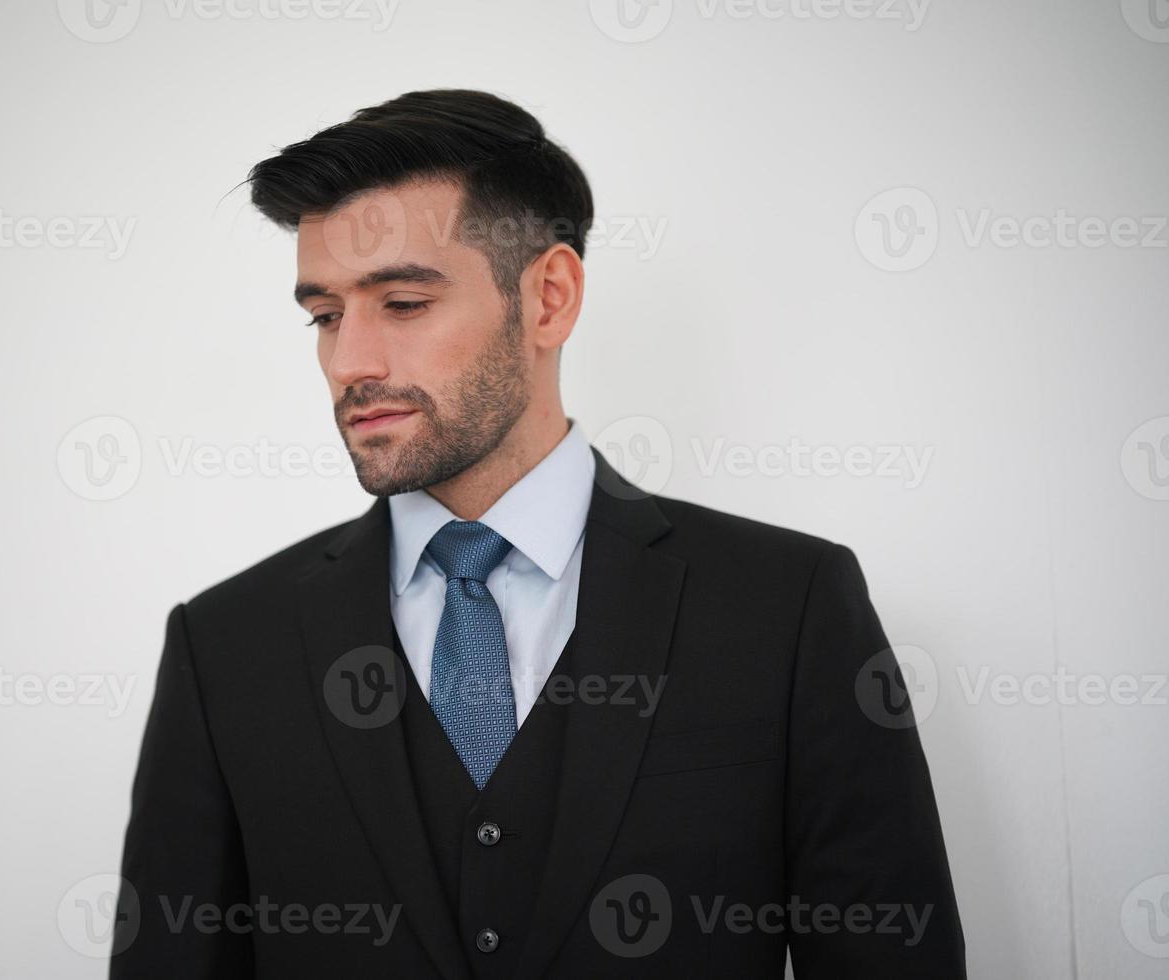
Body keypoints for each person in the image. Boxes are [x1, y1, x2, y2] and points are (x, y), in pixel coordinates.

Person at [109, 88, 966, 978]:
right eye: (325, 316)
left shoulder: (787, 610)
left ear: (549, 297)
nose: (350, 362)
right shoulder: (225, 647)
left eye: (402, 303)